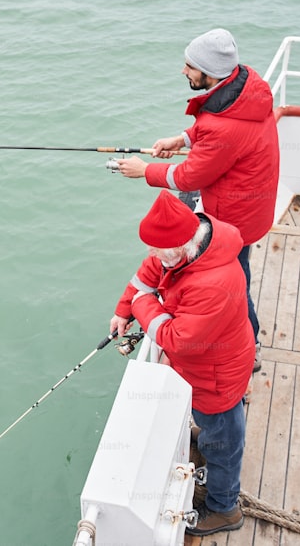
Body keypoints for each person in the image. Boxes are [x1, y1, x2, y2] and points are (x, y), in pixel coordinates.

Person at [115, 28, 279, 372]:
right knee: (237, 278)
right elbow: (218, 129)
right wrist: (183, 138)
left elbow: (190, 177)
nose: (183, 71)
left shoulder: (224, 127)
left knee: (238, 282)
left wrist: (145, 171)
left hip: (235, 218)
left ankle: (252, 346)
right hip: (252, 207)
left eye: (190, 66)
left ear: (209, 73)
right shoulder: (245, 85)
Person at [110, 190, 254, 536]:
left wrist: (143, 305)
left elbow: (177, 340)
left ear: (180, 248)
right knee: (214, 427)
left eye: (157, 249)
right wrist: (124, 307)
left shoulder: (213, 284)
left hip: (217, 377)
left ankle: (224, 508)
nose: (151, 254)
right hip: (208, 367)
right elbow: (148, 271)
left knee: (223, 441)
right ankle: (208, 435)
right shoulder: (185, 248)